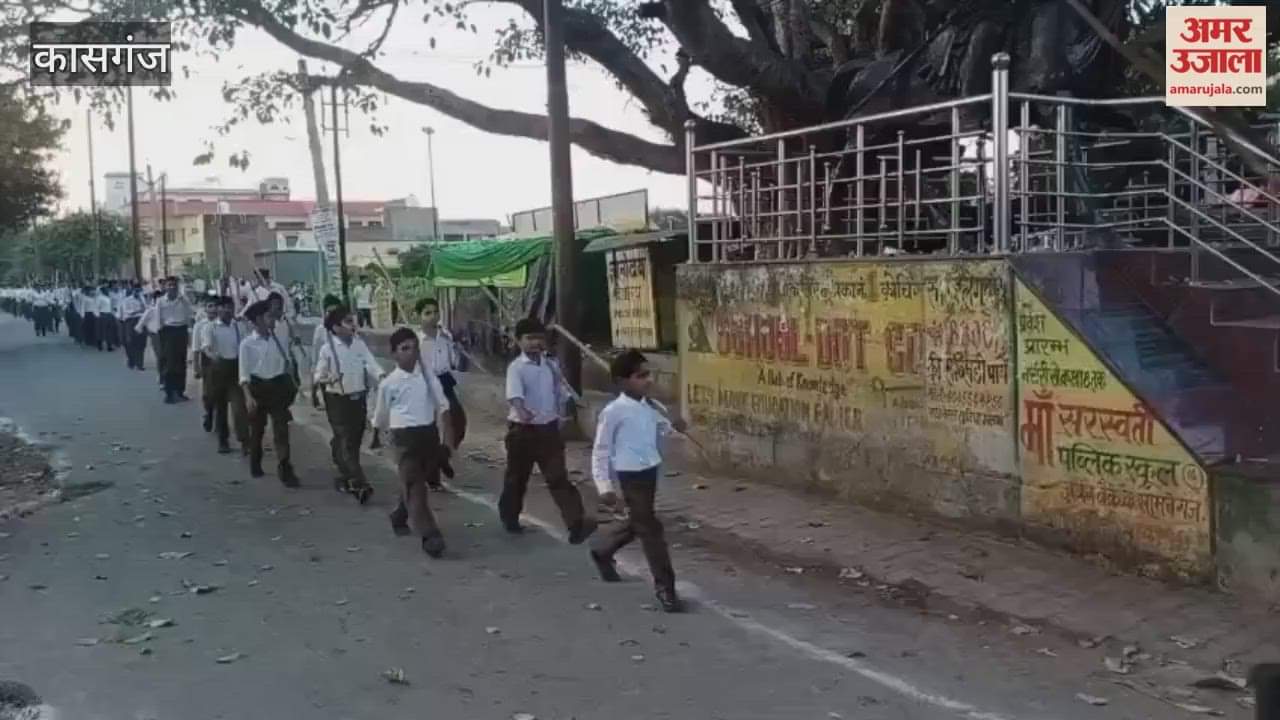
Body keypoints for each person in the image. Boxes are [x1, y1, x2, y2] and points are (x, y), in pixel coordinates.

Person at [589, 349, 688, 613]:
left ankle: (603, 551)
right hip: (629, 475)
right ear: (622, 381)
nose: (648, 380)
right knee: (651, 529)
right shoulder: (613, 412)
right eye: (640, 376)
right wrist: (604, 486)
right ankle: (665, 587)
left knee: (640, 521)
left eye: (647, 375)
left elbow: (664, 429)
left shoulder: (652, 406)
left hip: (649, 471)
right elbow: (601, 450)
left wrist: (676, 426)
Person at [498, 317, 594, 544]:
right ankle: (509, 516)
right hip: (522, 431)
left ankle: (576, 523)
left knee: (558, 477)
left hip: (548, 431)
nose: (535, 343)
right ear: (518, 341)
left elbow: (561, 392)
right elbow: (514, 396)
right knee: (517, 478)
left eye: (539, 338)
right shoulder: (516, 368)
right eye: (529, 338)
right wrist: (522, 411)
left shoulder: (551, 365)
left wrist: (564, 413)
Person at [373, 327, 450, 557]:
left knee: (415, 481)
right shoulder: (389, 383)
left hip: (428, 435)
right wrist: (376, 433)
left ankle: (400, 515)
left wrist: (447, 439)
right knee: (416, 487)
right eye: (404, 348)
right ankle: (430, 534)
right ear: (394, 353)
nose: (411, 353)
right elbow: (381, 413)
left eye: (415, 348)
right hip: (403, 438)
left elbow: (443, 405)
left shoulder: (427, 376)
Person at [313, 304, 383, 504]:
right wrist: (329, 378)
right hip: (337, 400)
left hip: (358, 398)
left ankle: (346, 471)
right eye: (348, 322)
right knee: (346, 440)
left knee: (353, 439)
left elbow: (370, 363)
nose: (354, 325)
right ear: (336, 327)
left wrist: (381, 376)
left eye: (354, 321)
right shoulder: (328, 349)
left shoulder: (359, 344)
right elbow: (318, 375)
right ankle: (361, 483)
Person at [239, 298, 300, 486]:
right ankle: (255, 461)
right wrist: (248, 397)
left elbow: (287, 362)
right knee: (257, 429)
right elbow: (244, 374)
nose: (273, 319)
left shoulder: (279, 339)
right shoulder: (247, 344)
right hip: (257, 388)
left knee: (281, 430)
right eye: (269, 316)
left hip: (277, 388)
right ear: (258, 320)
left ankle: (285, 468)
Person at [416, 297, 464, 486]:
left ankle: (443, 455)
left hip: (444, 380)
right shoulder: (416, 340)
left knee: (457, 420)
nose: (433, 316)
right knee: (430, 428)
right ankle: (432, 471)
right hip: (425, 382)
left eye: (436, 312)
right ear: (419, 316)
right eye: (427, 313)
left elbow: (453, 362)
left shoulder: (445, 335)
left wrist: (455, 348)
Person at [201, 296, 249, 455]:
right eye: (225, 307)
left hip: (236, 369)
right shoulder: (210, 327)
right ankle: (223, 440)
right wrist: (212, 355)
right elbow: (206, 347)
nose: (228, 310)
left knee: (239, 408)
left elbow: (246, 345)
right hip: (218, 370)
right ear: (218, 309)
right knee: (220, 408)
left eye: (230, 307)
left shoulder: (239, 326)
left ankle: (244, 440)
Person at [157, 277, 194, 404]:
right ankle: (169, 393)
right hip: (168, 332)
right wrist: (161, 334)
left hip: (181, 331)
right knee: (169, 363)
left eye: (174, 285)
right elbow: (158, 318)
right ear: (165, 287)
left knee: (181, 362)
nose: (172, 287)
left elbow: (189, 313)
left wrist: (189, 331)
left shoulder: (183, 300)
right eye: (169, 285)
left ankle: (180, 391)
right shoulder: (160, 301)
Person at [310, 294, 343, 409]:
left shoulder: (347, 328)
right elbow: (315, 359)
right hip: (327, 377)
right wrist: (314, 389)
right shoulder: (320, 330)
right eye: (329, 312)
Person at [192, 297, 219, 429]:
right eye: (210, 306)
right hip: (207, 361)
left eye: (215, 306)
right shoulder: (199, 325)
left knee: (220, 391)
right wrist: (196, 367)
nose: (213, 309)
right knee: (208, 392)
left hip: (222, 359)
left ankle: (219, 419)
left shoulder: (224, 324)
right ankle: (208, 413)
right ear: (205, 309)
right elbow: (196, 348)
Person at [119, 284, 147, 370]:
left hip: (141, 321)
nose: (138, 292)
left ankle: (140, 364)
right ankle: (131, 360)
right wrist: (137, 310)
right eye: (136, 290)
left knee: (141, 342)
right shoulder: (126, 300)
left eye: (139, 290)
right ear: (133, 290)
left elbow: (146, 309)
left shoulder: (142, 299)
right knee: (130, 342)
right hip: (130, 321)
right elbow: (126, 312)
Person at [97, 284, 117, 352]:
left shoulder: (108, 297)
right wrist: (98, 315)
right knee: (102, 331)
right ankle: (99, 344)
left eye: (107, 289)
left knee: (109, 331)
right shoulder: (99, 298)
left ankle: (109, 346)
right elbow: (97, 307)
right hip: (102, 314)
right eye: (106, 289)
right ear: (102, 291)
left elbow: (111, 306)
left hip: (109, 314)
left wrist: (113, 313)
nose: (107, 290)